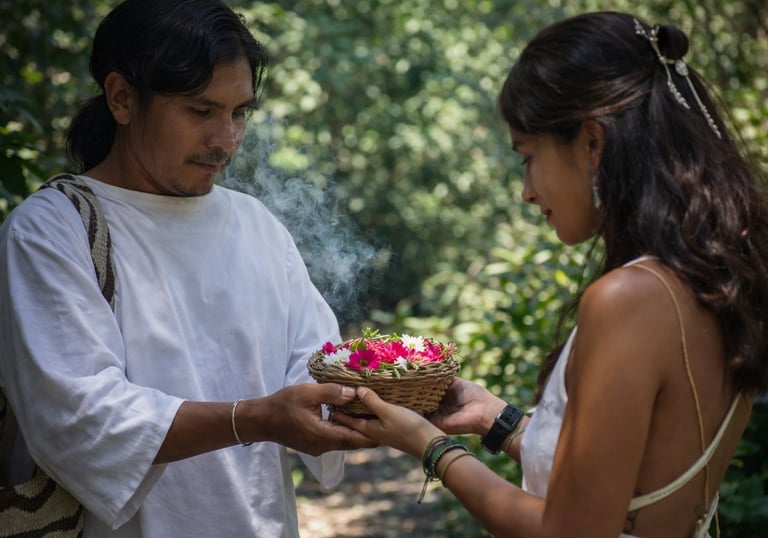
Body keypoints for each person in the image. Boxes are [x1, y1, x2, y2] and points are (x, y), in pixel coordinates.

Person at [335, 11, 768, 538]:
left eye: (527, 156)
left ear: (592, 143)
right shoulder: (717, 277)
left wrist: (427, 444)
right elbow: (629, 480)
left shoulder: (627, 299)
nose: (527, 191)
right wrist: (495, 418)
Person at [0, 0, 374, 536]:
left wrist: (375, 396)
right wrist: (256, 418)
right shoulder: (52, 230)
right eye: (200, 111)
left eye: (239, 112)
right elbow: (81, 417)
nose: (225, 139)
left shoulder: (256, 224)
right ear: (122, 98)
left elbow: (314, 369)